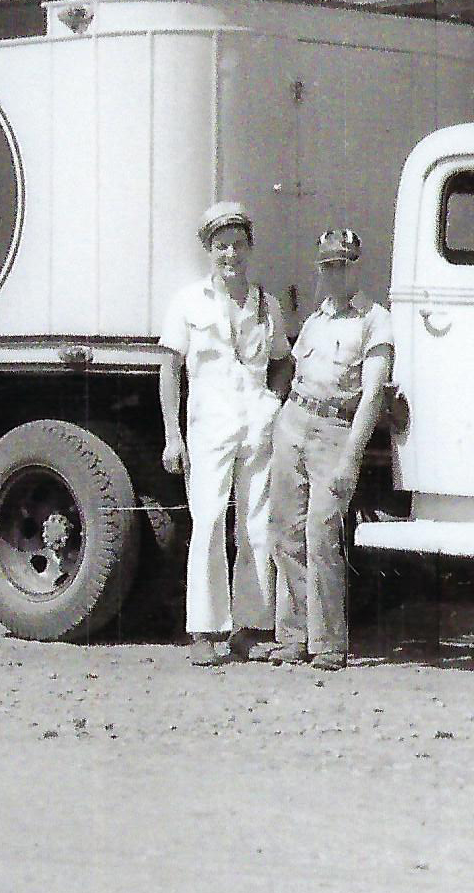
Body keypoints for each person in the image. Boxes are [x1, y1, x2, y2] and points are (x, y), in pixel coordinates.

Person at [158, 201, 291, 666]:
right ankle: (204, 630)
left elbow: (282, 359)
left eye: (237, 245)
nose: (229, 255)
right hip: (209, 421)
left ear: (249, 248)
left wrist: (272, 401)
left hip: (256, 419)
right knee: (209, 520)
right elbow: (170, 368)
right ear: (208, 252)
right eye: (220, 247)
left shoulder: (266, 303)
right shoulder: (189, 302)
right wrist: (173, 436)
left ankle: (251, 629)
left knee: (256, 523)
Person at [261, 228, 392, 671]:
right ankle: (291, 637)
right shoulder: (316, 320)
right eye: (328, 266)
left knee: (323, 535)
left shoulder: (375, 320)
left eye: (344, 264)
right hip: (294, 421)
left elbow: (373, 394)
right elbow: (296, 372)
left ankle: (328, 643)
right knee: (284, 532)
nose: (336, 273)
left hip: (335, 429)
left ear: (358, 265)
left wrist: (351, 457)